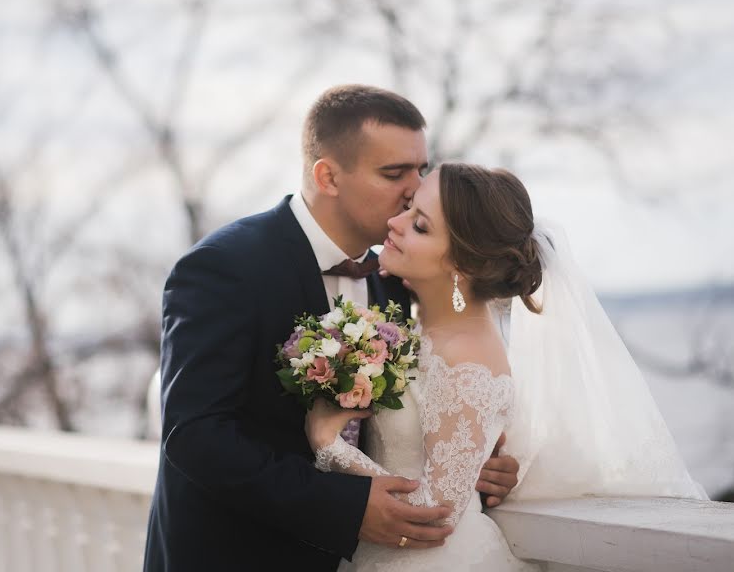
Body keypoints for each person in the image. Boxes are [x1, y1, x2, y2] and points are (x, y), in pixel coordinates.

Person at [144, 87, 521, 572]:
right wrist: (345, 505)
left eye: (420, 169)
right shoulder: (224, 268)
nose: (415, 188)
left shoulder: (403, 281)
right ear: (328, 176)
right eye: (394, 173)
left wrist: (481, 470)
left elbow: (435, 418)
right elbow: (195, 436)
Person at [305, 163, 705, 572]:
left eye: (420, 225)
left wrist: (328, 445)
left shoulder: (469, 357)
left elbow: (437, 512)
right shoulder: (416, 326)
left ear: (461, 265)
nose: (395, 221)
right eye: (408, 208)